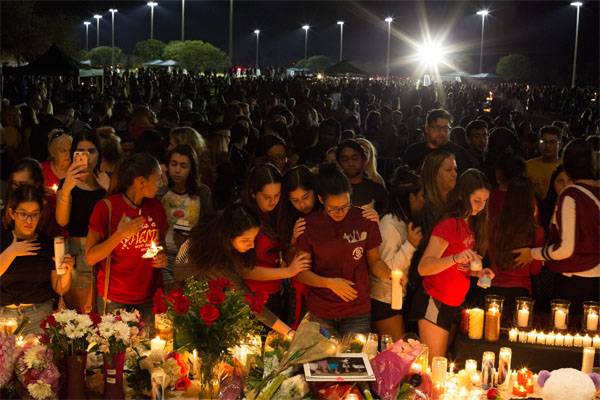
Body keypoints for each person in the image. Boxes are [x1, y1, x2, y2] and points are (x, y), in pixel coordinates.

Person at [296, 163, 391, 335]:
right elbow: (301, 272)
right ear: (321, 200)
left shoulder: (364, 220)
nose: (340, 212)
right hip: (321, 309)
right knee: (322, 362)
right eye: (333, 208)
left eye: (345, 205)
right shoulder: (309, 226)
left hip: (357, 308)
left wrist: (389, 275)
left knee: (355, 359)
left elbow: (375, 261)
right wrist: (329, 283)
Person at [174, 203, 294, 335]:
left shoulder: (218, 233)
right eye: (245, 240)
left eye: (254, 238)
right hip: (188, 307)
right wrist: (289, 333)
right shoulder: (217, 261)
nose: (252, 245)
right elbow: (250, 302)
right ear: (229, 235)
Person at [412, 169, 494, 359]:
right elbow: (424, 267)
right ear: (464, 196)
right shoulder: (450, 225)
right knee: (435, 364)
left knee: (441, 362)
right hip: (435, 300)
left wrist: (477, 274)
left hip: (454, 302)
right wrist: (456, 258)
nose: (481, 207)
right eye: (477, 200)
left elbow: (456, 268)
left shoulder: (469, 227)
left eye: (485, 201)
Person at [514, 139, 599, 314]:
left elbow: (566, 249)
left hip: (574, 278)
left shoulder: (571, 195)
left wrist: (533, 254)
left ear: (566, 163)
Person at [85, 153, 168, 320]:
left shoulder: (156, 207)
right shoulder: (106, 207)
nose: (162, 183)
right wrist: (121, 234)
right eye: (157, 179)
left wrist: (161, 256)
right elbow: (91, 257)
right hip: (115, 298)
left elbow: (160, 244)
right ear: (140, 181)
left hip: (148, 297)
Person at [0, 185, 74, 334]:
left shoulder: (47, 244)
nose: (29, 220)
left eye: (34, 214)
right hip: (4, 319)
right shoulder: (2, 240)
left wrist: (66, 272)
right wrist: (11, 252)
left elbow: (60, 288)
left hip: (39, 316)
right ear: (12, 213)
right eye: (23, 214)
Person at [242, 164, 311, 321]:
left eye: (277, 195)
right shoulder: (245, 218)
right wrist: (288, 272)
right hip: (250, 295)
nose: (273, 201)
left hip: (275, 292)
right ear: (253, 193)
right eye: (267, 197)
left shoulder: (277, 214)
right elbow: (244, 268)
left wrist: (292, 240)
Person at [371, 167, 425, 341]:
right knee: (394, 351)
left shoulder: (404, 222)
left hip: (397, 296)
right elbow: (386, 269)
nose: (425, 201)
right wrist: (410, 245)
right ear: (411, 197)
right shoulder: (389, 224)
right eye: (422, 196)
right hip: (384, 298)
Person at [55, 131, 106, 312]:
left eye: (91, 151)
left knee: (103, 313)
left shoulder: (106, 181)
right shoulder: (66, 183)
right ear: (73, 155)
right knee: (78, 315)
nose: (86, 156)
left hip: (104, 251)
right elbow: (62, 221)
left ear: (99, 154)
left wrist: (109, 189)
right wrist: (67, 188)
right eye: (80, 151)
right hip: (77, 254)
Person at [483, 176, 544, 315]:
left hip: (493, 287)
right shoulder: (536, 231)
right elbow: (535, 270)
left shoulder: (493, 225)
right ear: (530, 201)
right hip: (520, 291)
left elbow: (491, 257)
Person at [162, 144, 214, 289]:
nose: (177, 170)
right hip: (164, 256)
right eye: (174, 164)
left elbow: (208, 225)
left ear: (191, 169)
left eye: (183, 166)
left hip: (190, 257)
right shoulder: (161, 191)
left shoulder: (201, 192)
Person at [403, 109, 471, 174]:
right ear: (427, 129)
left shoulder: (459, 154)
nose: (441, 132)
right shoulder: (413, 152)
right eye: (437, 127)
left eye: (445, 128)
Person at [336, 139, 388, 215]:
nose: (350, 163)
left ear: (363, 160)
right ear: (339, 163)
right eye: (345, 159)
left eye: (355, 158)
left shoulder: (376, 189)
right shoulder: (334, 188)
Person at [525, 126, 562, 202]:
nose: (547, 146)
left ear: (560, 145)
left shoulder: (565, 167)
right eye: (544, 141)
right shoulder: (528, 166)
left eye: (552, 142)